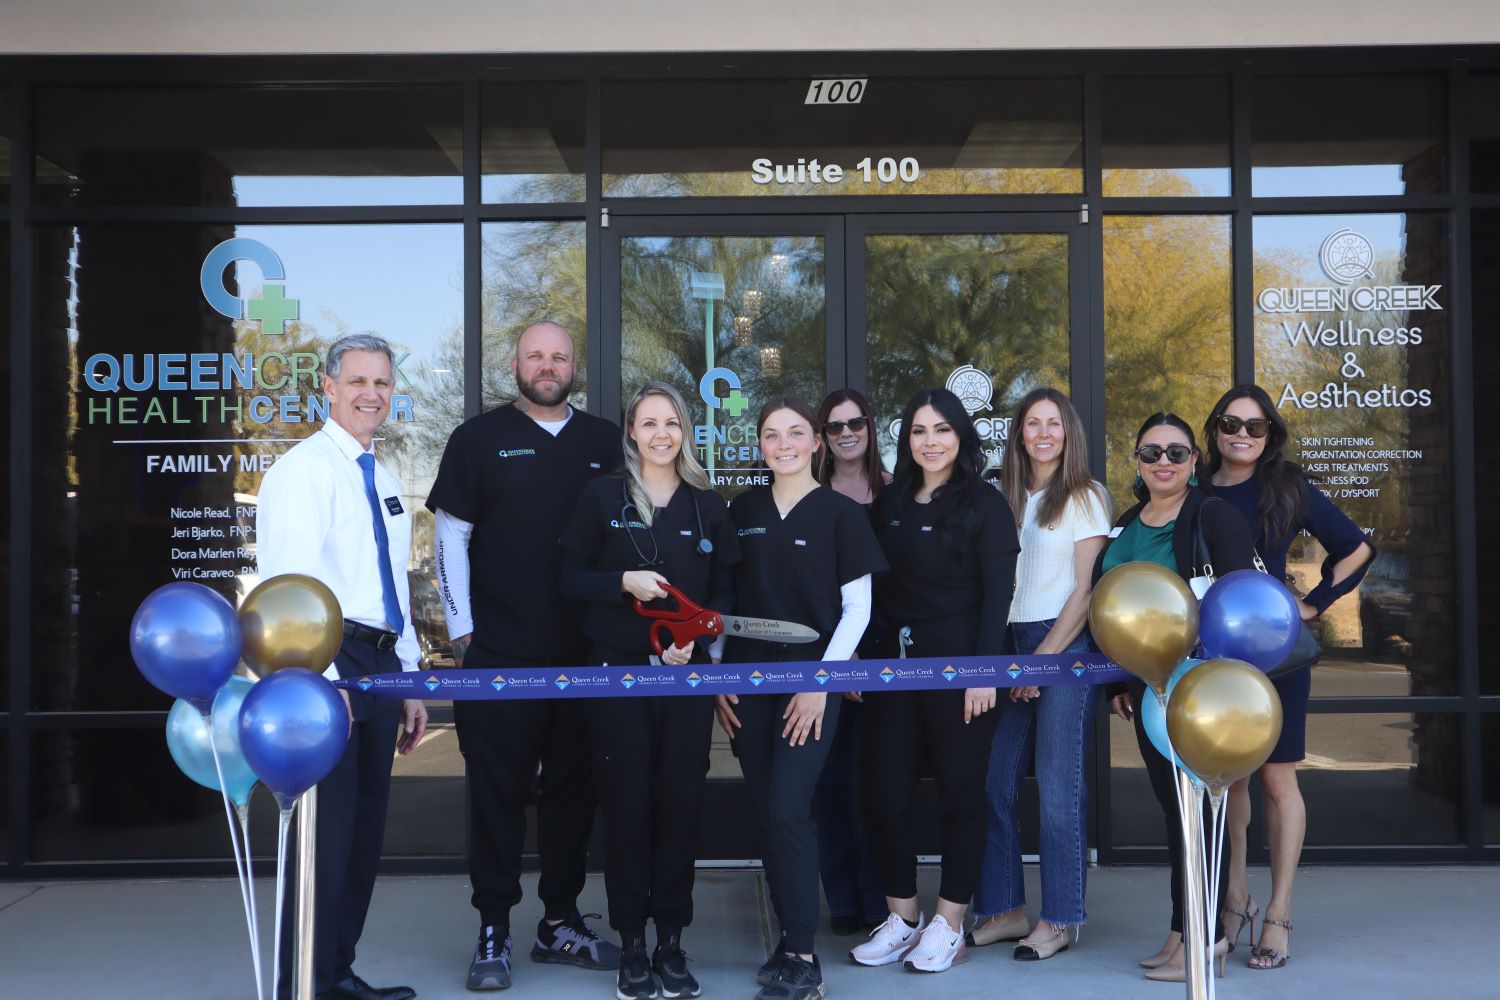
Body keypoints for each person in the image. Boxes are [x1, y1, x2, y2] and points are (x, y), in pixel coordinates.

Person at [426, 321, 623, 991]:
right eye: (536, 355)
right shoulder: (477, 440)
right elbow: (450, 538)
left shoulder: (605, 442)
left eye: (559, 356)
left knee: (573, 796)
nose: (547, 365)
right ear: (515, 364)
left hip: (586, 654)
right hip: (499, 654)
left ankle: (560, 920)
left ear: (574, 366)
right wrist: (462, 634)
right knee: (496, 797)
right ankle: (492, 928)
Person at [256, 333, 429, 1000]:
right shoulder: (304, 471)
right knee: (323, 840)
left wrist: (410, 681)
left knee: (362, 836)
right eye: (357, 381)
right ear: (328, 388)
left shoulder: (382, 477)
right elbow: (289, 588)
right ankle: (302, 982)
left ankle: (337, 973)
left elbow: (395, 589)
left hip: (381, 663)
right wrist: (322, 684)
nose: (371, 394)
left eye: (382, 383)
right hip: (330, 662)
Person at [559, 382, 742, 1000]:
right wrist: (623, 582)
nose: (661, 433)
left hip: (685, 681)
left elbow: (723, 597)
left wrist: (699, 647)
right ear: (631, 432)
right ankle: (631, 943)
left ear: (685, 431)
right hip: (616, 677)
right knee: (628, 808)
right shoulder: (601, 496)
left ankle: (671, 942)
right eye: (648, 423)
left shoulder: (707, 506)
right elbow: (570, 577)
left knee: (678, 807)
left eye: (672, 423)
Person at [713, 396, 887, 1000]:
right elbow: (724, 608)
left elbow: (857, 609)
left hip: (812, 687)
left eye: (794, 433)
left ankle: (802, 956)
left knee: (790, 806)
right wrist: (719, 682)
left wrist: (821, 682)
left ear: (816, 442)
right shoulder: (743, 511)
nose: (782, 443)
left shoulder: (841, 514)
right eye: (770, 434)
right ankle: (787, 940)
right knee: (767, 812)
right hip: (747, 685)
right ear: (760, 446)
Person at [1202, 385, 1374, 972]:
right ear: (1215, 429)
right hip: (1214, 653)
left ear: (1270, 434)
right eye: (1230, 423)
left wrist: (1315, 603)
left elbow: (1356, 548)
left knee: (1277, 781)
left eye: (1254, 426)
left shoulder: (1288, 487)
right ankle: (1234, 901)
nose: (1241, 434)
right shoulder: (1195, 485)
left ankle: (1277, 914)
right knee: (1228, 784)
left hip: (1277, 654)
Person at [851, 387, 1019, 975]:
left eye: (941, 430)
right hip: (894, 673)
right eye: (919, 431)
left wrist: (983, 671)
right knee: (886, 794)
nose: (930, 442)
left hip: (963, 675)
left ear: (960, 436)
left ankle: (949, 924)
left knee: (960, 797)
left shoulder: (985, 504)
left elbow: (999, 596)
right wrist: (860, 664)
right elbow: (874, 594)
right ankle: (903, 919)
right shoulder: (890, 502)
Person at [1101, 412, 1254, 983]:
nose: (1162, 463)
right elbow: (1116, 609)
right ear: (1136, 463)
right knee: (1174, 812)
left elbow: (1237, 603)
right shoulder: (1125, 522)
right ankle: (1179, 930)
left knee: (1198, 813)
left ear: (1194, 461)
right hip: (1147, 689)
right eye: (1150, 453)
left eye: (1175, 452)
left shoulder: (1215, 516)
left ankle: (1209, 937)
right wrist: (1120, 681)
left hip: (1198, 687)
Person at [971, 388, 1111, 962]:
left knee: (1058, 788)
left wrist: (1043, 660)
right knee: (994, 781)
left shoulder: (1084, 494)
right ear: (1019, 433)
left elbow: (1087, 591)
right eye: (1034, 423)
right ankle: (1004, 908)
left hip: (1062, 643)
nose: (1044, 432)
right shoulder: (1002, 495)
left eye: (1054, 423)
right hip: (1007, 642)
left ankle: (1059, 918)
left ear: (1068, 432)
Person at [811, 389, 890, 936]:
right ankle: (843, 900)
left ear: (870, 427)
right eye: (834, 425)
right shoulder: (810, 497)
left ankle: (879, 899)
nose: (846, 433)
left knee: (879, 784)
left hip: (886, 658)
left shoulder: (895, 494)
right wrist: (843, 655)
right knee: (831, 782)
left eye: (855, 422)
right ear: (822, 435)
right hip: (829, 652)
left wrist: (870, 653)